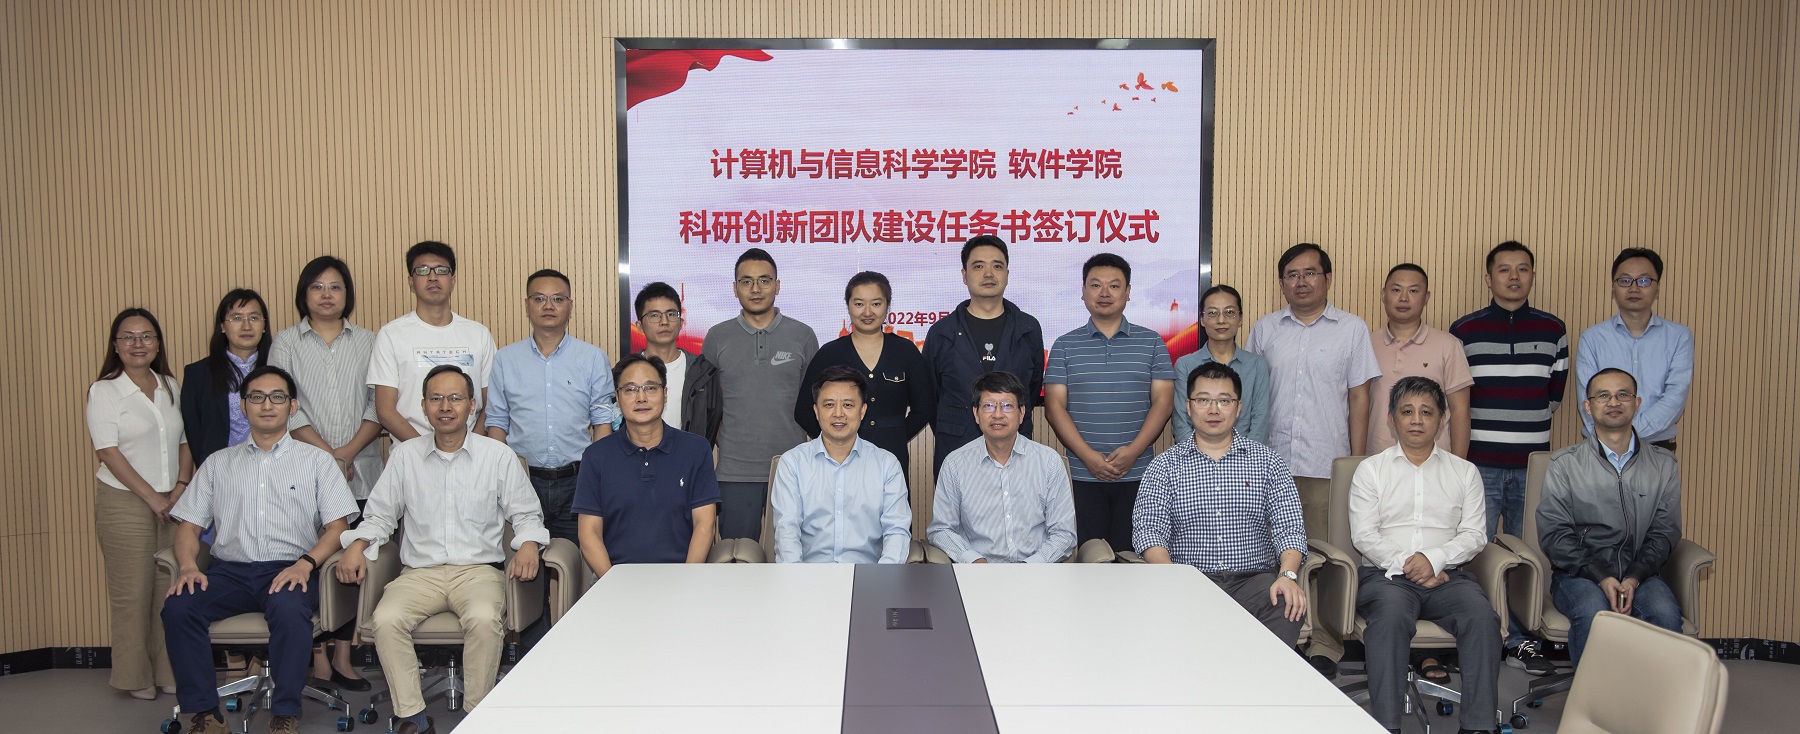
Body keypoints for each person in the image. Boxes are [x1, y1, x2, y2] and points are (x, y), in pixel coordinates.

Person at [335, 366, 548, 734]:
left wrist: (528, 544)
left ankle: (475, 718)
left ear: (471, 405)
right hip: (420, 575)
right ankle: (413, 718)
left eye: (455, 398)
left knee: (483, 618)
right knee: (386, 620)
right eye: (436, 398)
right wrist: (357, 543)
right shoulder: (405, 457)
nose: (445, 406)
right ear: (423, 406)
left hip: (478, 572)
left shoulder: (497, 456)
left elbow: (526, 514)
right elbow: (380, 515)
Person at [160, 366, 359, 734]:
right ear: (243, 406)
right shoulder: (218, 463)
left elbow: (338, 529)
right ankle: (207, 715)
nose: (267, 405)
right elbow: (189, 527)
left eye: (277, 397)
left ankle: (284, 714)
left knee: (288, 608)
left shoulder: (317, 461)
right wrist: (188, 566)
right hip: (229, 573)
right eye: (257, 397)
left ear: (292, 406)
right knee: (179, 607)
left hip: (291, 568)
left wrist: (306, 564)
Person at [1244, 242, 1380, 674]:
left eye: (1310, 273)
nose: (1301, 282)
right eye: (1292, 275)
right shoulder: (1265, 330)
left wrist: (1354, 462)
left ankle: (1324, 644)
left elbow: (1360, 398)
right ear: (1281, 282)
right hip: (1270, 465)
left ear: (1327, 278)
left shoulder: (1352, 329)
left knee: (1325, 560)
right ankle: (1275, 639)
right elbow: (1250, 396)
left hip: (1326, 465)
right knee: (1270, 556)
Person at [1349, 376, 1499, 734]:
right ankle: (1387, 726)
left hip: (1448, 578)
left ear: (1442, 420)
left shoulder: (1465, 472)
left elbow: (1475, 535)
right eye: (1407, 411)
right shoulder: (1371, 470)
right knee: (1389, 620)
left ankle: (1478, 725)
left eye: (1427, 412)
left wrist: (1434, 559)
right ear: (1391, 419)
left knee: (1482, 618)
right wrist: (1413, 565)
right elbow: (1364, 535)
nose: (1416, 420)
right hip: (1386, 577)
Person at [1448, 240, 1567, 675]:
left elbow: (1554, 398)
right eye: (1504, 269)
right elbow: (1458, 399)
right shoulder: (1464, 330)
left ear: (1532, 275)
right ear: (1488, 277)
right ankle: (1477, 635)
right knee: (1473, 551)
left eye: (1522, 269)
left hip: (1533, 468)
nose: (1513, 277)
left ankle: (1520, 639)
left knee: (1527, 557)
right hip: (1478, 464)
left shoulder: (1553, 329)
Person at [1132, 361, 1308, 645]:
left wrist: (1287, 575)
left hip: (1254, 581)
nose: (1213, 410)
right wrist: (1171, 577)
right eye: (1203, 400)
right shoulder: (1164, 466)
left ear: (1238, 408)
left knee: (1286, 602)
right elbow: (1149, 531)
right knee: (1164, 612)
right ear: (1188, 407)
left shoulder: (1268, 462)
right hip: (1189, 579)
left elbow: (1290, 527)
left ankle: (1261, 675)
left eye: (1224, 401)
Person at [485, 268, 615, 652]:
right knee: (528, 576)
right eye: (539, 298)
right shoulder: (505, 360)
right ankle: (535, 656)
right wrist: (502, 480)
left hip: (578, 481)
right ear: (527, 305)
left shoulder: (592, 358)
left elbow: (602, 422)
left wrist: (597, 477)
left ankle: (584, 652)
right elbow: (496, 424)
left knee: (583, 570)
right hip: (523, 483)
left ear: (570, 306)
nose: (549, 306)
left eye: (558, 298)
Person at [269, 255, 382, 689]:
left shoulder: (369, 340)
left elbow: (378, 405)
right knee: (311, 557)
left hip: (363, 467)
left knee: (353, 560)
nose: (326, 295)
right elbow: (285, 405)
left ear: (347, 294)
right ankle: (316, 660)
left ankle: (343, 656)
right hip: (304, 469)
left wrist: (348, 453)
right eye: (317, 287)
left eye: (335, 287)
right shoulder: (286, 342)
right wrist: (330, 458)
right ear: (304, 294)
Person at [1539, 367, 1684, 666]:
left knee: (1665, 614)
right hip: (1578, 575)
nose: (1614, 402)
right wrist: (1601, 577)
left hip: (1641, 574)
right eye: (1603, 395)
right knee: (1593, 613)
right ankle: (1594, 696)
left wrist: (1634, 577)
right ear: (1588, 406)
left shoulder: (1663, 465)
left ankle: (1658, 696)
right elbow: (1555, 534)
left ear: (1637, 403)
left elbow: (1664, 531)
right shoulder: (1565, 464)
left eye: (1623, 395)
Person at [87, 308, 191, 700]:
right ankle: (134, 677)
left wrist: (180, 487)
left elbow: (185, 442)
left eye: (146, 336)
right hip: (125, 502)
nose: (137, 344)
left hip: (171, 501)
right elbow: (107, 451)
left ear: (158, 344)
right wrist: (152, 498)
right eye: (128, 337)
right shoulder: (104, 391)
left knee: (169, 591)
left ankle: (167, 671)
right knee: (132, 593)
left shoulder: (169, 385)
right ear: (115, 346)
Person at [1045, 253, 1175, 553]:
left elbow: (1163, 403)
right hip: (1081, 473)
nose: (1104, 293)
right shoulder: (1064, 345)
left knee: (1133, 557)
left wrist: (1133, 451)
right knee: (1088, 558)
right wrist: (1088, 456)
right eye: (1095, 285)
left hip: (1138, 472)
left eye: (1114, 286)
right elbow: (1054, 407)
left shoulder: (1152, 342)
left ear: (1128, 292)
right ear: (1083, 291)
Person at [702, 248, 818, 540]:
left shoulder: (803, 335)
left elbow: (815, 403)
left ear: (777, 286)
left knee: (792, 557)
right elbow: (708, 405)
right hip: (734, 472)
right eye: (747, 281)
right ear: (735, 288)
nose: (756, 289)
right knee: (739, 558)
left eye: (764, 281)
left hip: (792, 469)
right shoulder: (716, 337)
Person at [572, 354, 721, 578]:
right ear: (617, 397)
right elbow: (588, 533)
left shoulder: (696, 450)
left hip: (681, 578)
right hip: (615, 579)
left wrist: (687, 581)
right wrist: (614, 584)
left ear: (665, 394)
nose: (641, 398)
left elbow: (704, 524)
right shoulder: (596, 456)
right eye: (630, 389)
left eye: (650, 388)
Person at [795, 271, 935, 481]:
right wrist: (834, 440)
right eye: (859, 304)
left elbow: (924, 408)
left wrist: (896, 435)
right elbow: (803, 411)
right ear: (848, 306)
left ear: (887, 306)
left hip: (892, 455)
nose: (867, 312)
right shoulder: (830, 353)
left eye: (876, 304)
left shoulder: (905, 351)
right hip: (840, 459)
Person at [923, 235, 1046, 475]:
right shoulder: (942, 332)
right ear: (964, 275)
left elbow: (1030, 389)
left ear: (1007, 274)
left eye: (997, 266)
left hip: (1014, 450)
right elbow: (930, 395)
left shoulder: (1028, 328)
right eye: (978, 266)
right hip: (957, 449)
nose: (989, 274)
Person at [927, 371, 1075, 563]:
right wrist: (972, 559)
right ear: (976, 414)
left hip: (1037, 572)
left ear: (1022, 413)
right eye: (988, 406)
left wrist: (1031, 566)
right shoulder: (955, 464)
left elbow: (1064, 534)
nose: (997, 414)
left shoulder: (1048, 462)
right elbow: (941, 529)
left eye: (1007, 406)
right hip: (978, 573)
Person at [771, 366, 911, 564]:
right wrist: (798, 579)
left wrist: (882, 578)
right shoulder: (792, 463)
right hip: (808, 576)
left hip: (868, 577)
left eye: (848, 405)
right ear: (816, 411)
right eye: (829, 405)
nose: (838, 413)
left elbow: (897, 530)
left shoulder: (886, 465)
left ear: (863, 411)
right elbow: (787, 531)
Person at [368, 240, 497, 441]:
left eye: (441, 270)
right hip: (411, 452)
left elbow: (492, 403)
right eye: (422, 270)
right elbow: (385, 410)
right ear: (411, 281)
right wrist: (425, 450)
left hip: (471, 452)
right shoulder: (391, 335)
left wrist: (471, 447)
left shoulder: (478, 334)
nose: (432, 277)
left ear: (453, 280)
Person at [1574, 247, 1693, 452]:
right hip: (1601, 448)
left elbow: (1675, 398)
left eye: (1644, 280)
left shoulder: (1679, 337)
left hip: (1657, 448)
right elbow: (1589, 400)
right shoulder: (1591, 338)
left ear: (1657, 288)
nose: (1634, 288)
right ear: (1613, 288)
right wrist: (1616, 435)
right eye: (1625, 280)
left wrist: (1625, 433)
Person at [1366, 264, 1473, 456]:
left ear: (1426, 297)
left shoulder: (1448, 345)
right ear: (1383, 294)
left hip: (1435, 463)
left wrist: (1458, 466)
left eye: (1413, 291)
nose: (1404, 298)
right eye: (1396, 290)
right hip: (1377, 461)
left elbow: (1460, 411)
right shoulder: (1366, 344)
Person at [181, 289, 271, 470]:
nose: (246, 326)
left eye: (254, 318)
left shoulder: (278, 370)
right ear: (222, 326)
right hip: (219, 471)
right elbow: (194, 432)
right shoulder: (198, 374)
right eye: (237, 318)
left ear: (264, 326)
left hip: (272, 470)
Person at [1173, 284, 1270, 446]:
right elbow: (1181, 423)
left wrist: (1244, 457)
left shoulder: (1256, 365)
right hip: (1195, 459)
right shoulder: (1185, 365)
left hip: (1246, 458)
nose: (1221, 320)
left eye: (1229, 312)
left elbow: (1260, 422)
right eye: (1212, 313)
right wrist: (1200, 457)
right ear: (1202, 320)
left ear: (1240, 318)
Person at [633, 281, 721, 442]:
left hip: (688, 457)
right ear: (639, 325)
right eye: (654, 315)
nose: (664, 321)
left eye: (671, 314)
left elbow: (711, 425)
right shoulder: (626, 373)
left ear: (681, 323)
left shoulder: (703, 372)